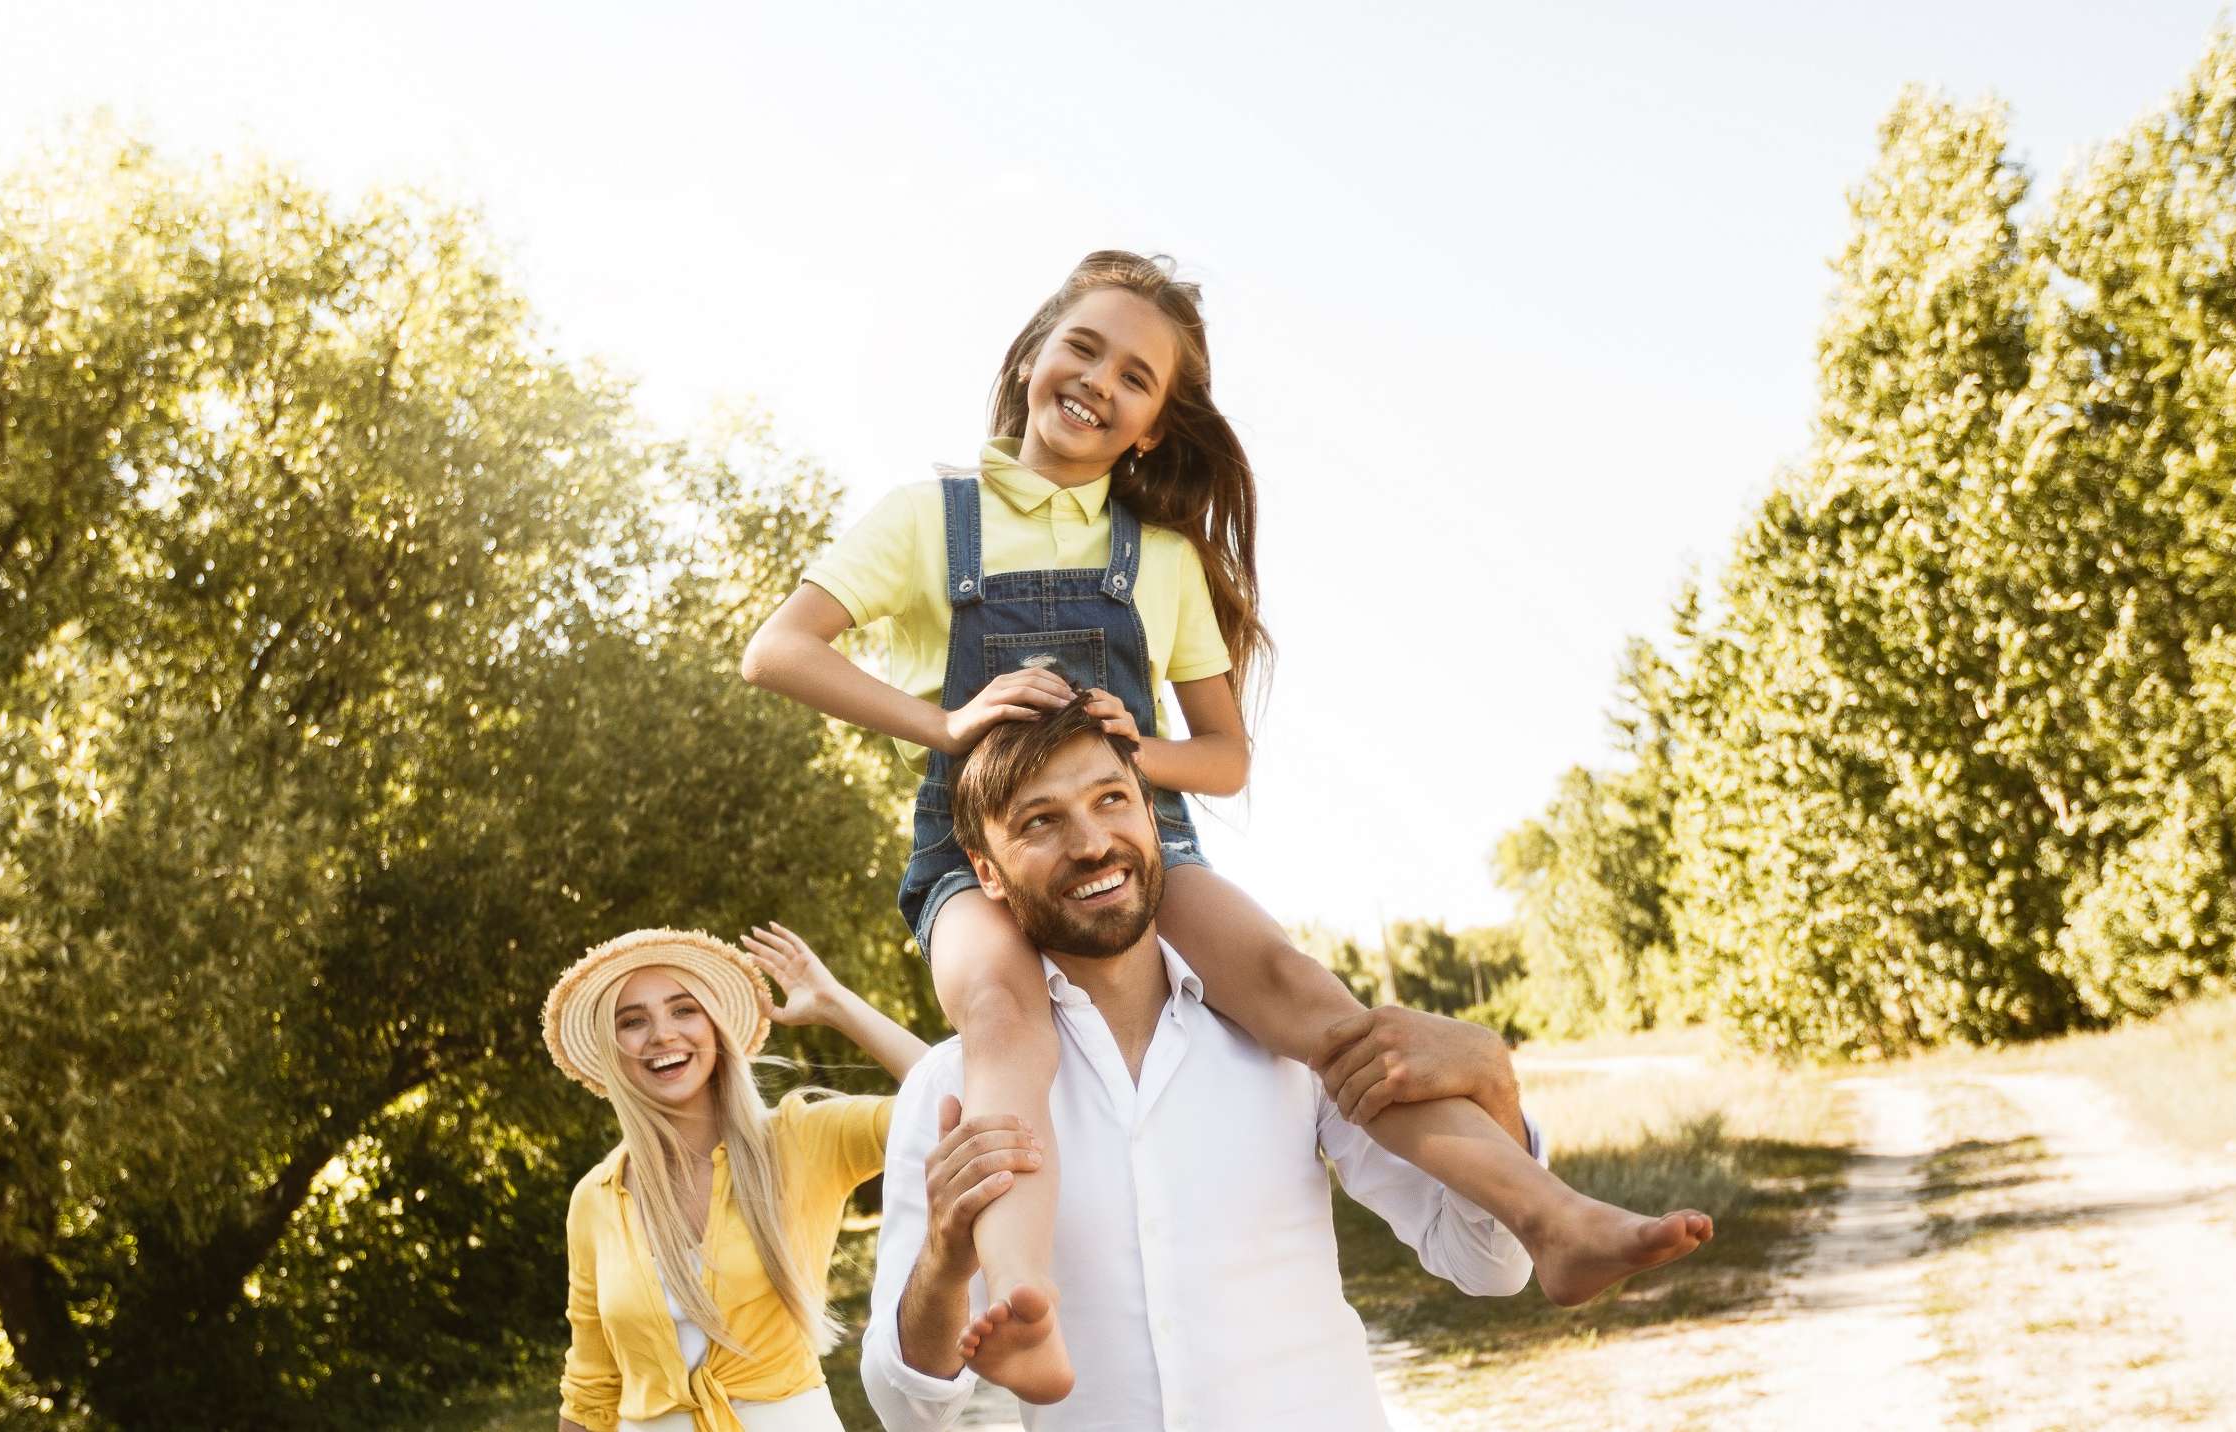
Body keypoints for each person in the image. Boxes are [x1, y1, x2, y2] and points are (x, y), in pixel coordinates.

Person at [743, 250, 1709, 1402]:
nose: (1100, 380)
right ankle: (1022, 1308)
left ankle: (1549, 1215)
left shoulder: (1157, 561)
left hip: (1148, 825)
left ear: (1154, 425)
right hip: (975, 848)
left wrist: (1137, 758)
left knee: (1309, 995)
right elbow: (777, 650)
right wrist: (947, 723)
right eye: (1084, 346)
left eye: (1137, 376)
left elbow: (1225, 755)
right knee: (1002, 1016)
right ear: (1033, 355)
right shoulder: (926, 519)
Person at [860, 698, 1654, 1430]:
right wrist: (944, 1260)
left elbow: (1488, 1263)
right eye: (1041, 822)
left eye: (1111, 800)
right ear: (986, 871)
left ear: (1148, 811)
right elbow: (906, 1410)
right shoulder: (955, 1089)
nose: (1093, 842)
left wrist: (1494, 1081)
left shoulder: (1292, 1048)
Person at [547, 923, 950, 1432]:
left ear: (714, 1025)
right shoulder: (597, 1197)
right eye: (632, 1021)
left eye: (683, 1009)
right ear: (613, 1048)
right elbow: (591, 1386)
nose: (662, 1034)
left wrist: (835, 1005)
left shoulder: (801, 1139)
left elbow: (948, 1103)